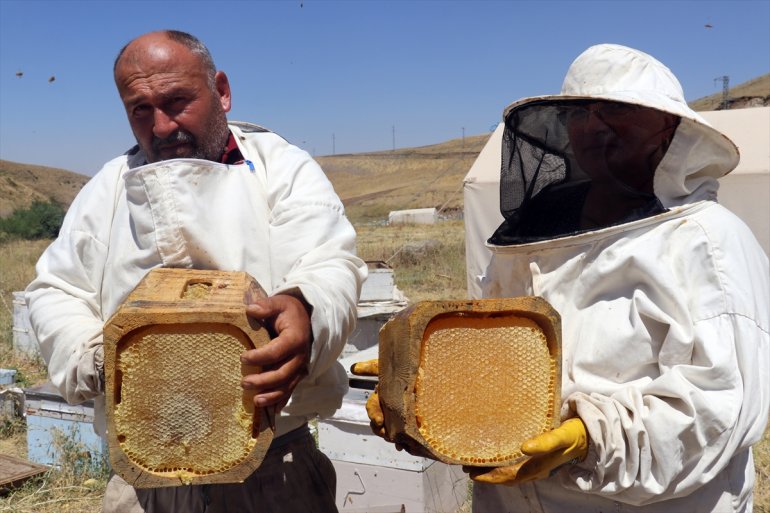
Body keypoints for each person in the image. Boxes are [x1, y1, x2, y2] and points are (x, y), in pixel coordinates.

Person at [363, 44, 770, 512]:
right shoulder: (529, 239)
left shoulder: (706, 243)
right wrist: (432, 380)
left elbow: (717, 409)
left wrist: (590, 439)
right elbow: (508, 359)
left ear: (665, 129)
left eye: (617, 110)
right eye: (582, 114)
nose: (596, 126)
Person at [25, 30, 366, 513]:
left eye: (177, 101)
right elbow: (55, 289)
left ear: (221, 91)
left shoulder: (281, 168)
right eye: (140, 109)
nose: (162, 126)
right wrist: (96, 358)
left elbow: (329, 262)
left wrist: (305, 311)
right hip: (143, 477)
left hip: (275, 471)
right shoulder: (107, 187)